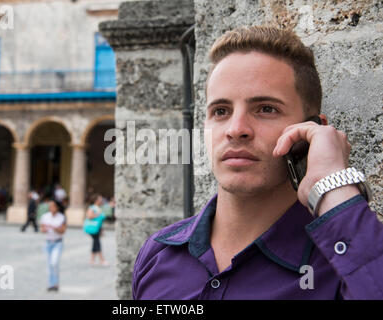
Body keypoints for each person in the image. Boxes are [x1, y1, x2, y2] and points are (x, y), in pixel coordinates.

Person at [132, 26, 383, 300]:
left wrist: (332, 186)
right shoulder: (158, 255)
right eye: (220, 111)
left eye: (266, 109)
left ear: (313, 130)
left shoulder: (342, 266)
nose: (236, 129)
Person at [40, 200, 67, 292]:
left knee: (54, 262)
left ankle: (56, 283)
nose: (51, 208)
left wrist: (54, 227)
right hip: (48, 242)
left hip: (57, 242)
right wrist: (45, 229)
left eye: (53, 206)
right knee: (49, 264)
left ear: (57, 207)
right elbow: (42, 228)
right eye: (50, 206)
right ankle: (51, 284)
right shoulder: (45, 216)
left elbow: (63, 231)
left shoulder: (61, 217)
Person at [86, 193, 109, 266]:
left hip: (97, 228)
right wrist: (98, 214)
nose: (101, 200)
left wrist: (101, 230)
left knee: (95, 243)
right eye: (100, 199)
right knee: (97, 243)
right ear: (96, 200)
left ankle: (92, 260)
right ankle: (102, 260)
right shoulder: (93, 207)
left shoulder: (98, 208)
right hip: (93, 228)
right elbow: (89, 216)